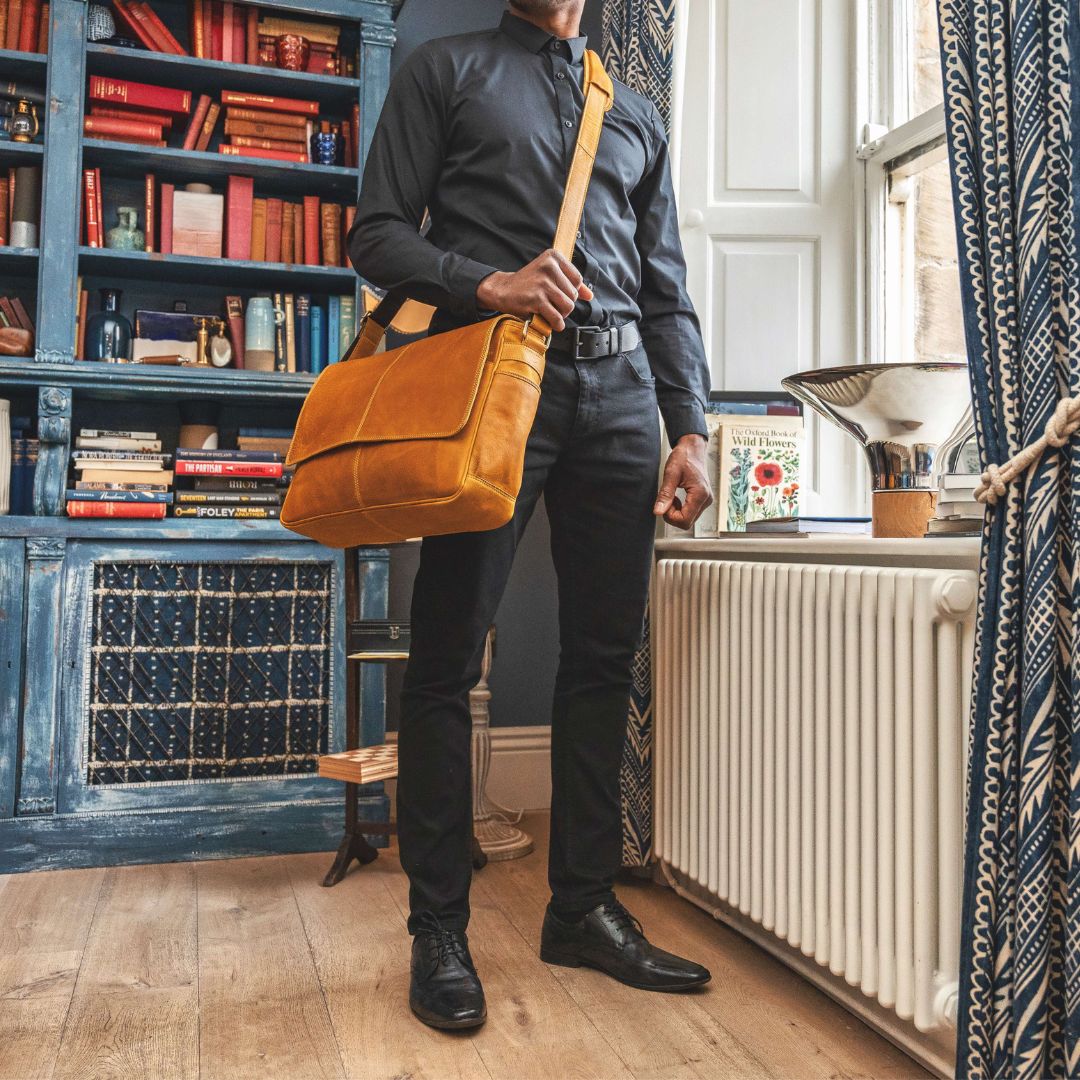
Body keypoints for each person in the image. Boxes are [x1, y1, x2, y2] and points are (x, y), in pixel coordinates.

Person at [348, 0, 714, 1031]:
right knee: (447, 658)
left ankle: (584, 910)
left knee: (603, 658)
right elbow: (374, 234)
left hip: (624, 402)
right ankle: (439, 931)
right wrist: (491, 281)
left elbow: (666, 288)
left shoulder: (634, 109)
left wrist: (690, 425)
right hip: (490, 391)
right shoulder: (443, 69)